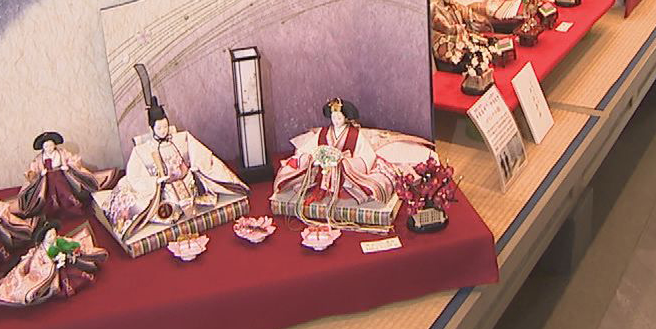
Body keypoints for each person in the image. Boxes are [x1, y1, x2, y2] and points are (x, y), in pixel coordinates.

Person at [102, 110, 249, 241]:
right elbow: (135, 176)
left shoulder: (180, 138)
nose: (163, 131)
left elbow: (199, 152)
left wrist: (196, 165)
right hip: (163, 189)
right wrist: (156, 181)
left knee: (198, 189)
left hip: (187, 181)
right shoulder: (142, 150)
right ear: (151, 129)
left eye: (165, 126)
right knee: (163, 206)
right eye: (159, 128)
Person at [272, 98, 426, 209]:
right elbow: (306, 149)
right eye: (334, 117)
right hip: (322, 171)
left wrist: (344, 163)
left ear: (346, 118)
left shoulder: (354, 134)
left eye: (339, 117)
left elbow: (367, 156)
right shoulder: (323, 132)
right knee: (295, 175)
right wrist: (314, 158)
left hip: (346, 174)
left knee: (369, 186)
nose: (336, 120)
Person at [0, 220, 106, 308]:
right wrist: (54, 262)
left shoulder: (58, 241)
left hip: (65, 264)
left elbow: (69, 243)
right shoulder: (39, 252)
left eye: (54, 234)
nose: (53, 237)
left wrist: (69, 252)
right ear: (44, 239)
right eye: (50, 236)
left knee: (81, 269)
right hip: (54, 271)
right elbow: (37, 267)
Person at [15, 132, 117, 220]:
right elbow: (33, 170)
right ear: (43, 148)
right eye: (46, 146)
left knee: (65, 192)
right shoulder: (39, 158)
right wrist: (40, 173)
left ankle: (72, 209)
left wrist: (68, 166)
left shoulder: (62, 153)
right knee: (49, 196)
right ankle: (52, 213)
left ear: (55, 145)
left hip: (61, 176)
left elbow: (72, 159)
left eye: (50, 145)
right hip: (47, 180)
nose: (49, 148)